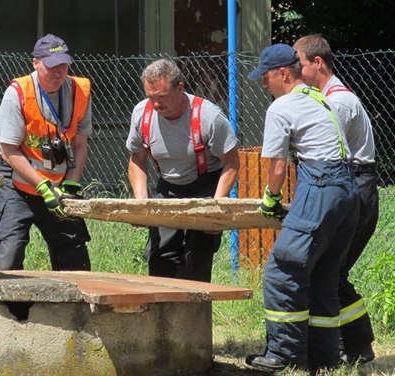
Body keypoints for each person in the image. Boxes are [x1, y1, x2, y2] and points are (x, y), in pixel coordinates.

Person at [244, 44, 360, 373]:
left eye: (265, 78)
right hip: (348, 191)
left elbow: (278, 169)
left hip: (321, 185)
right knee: (323, 276)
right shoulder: (320, 97)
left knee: (282, 270)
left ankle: (284, 354)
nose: (264, 85)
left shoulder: (281, 107)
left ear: (283, 74)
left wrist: (270, 199)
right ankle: (324, 360)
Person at [294, 34, 379, 365]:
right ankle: (355, 346)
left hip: (354, 188)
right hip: (350, 186)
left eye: (299, 63)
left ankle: (349, 347)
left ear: (318, 63)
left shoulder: (338, 103)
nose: (294, 70)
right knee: (331, 271)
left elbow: (327, 155)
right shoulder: (328, 98)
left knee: (330, 271)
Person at [126, 58, 239, 283]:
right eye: (150, 97)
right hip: (168, 188)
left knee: (196, 262)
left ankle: (193, 315)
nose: (156, 105)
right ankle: (162, 314)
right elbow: (137, 159)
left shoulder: (208, 117)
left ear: (180, 88)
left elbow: (232, 162)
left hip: (205, 187)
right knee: (160, 260)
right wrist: (141, 204)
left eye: (162, 97)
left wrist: (215, 207)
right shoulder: (142, 114)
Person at [0, 34, 92, 271]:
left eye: (63, 65)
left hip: (60, 184)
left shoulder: (80, 92)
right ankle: (3, 307)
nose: (58, 72)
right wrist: (42, 186)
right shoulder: (18, 93)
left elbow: (80, 143)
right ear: (35, 62)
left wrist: (72, 185)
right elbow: (8, 150)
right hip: (19, 184)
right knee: (9, 254)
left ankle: (74, 307)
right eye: (52, 66)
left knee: (74, 255)